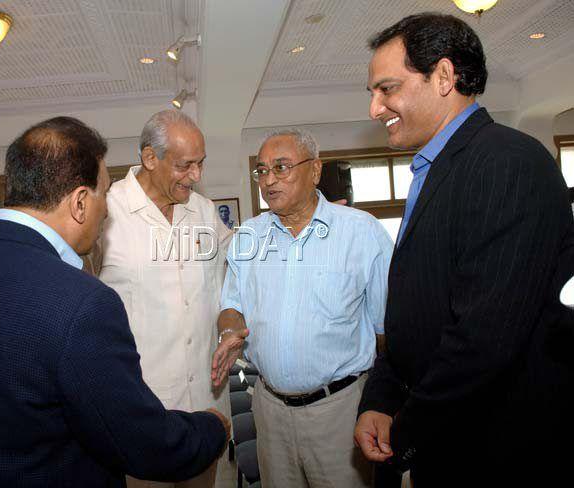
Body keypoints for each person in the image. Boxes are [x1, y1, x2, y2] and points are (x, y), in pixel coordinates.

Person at [0, 116, 230, 487]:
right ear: (79, 201)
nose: (107, 209)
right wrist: (214, 427)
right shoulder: (81, 303)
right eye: (103, 193)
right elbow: (141, 441)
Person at [354, 13, 574, 486]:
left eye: (386, 88)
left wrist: (404, 434)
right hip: (450, 436)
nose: (375, 109)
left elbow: (483, 340)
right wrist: (380, 398)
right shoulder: (437, 168)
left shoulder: (507, 162)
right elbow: (416, 312)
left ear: (444, 77)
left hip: (494, 449)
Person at [212, 128, 393, 488]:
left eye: (281, 167)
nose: (269, 180)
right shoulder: (248, 237)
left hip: (339, 411)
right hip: (269, 408)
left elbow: (387, 330)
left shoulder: (362, 233)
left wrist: (384, 402)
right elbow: (231, 306)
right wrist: (229, 332)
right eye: (261, 171)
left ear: (315, 170)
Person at [99, 110, 232, 488]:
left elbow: (231, 278)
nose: (196, 176)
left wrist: (231, 322)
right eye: (185, 165)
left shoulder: (204, 212)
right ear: (149, 158)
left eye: (201, 163)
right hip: (141, 413)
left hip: (206, 406)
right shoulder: (107, 212)